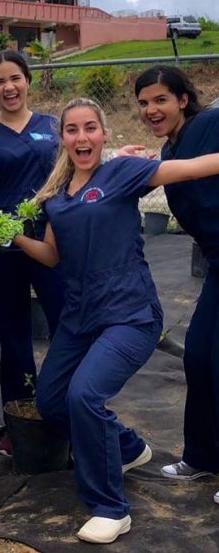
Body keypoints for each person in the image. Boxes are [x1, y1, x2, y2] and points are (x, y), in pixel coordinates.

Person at [13, 96, 219, 544]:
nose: (81, 137)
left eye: (90, 128)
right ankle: (126, 447)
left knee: (84, 396)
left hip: (129, 314)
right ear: (62, 139)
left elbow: (195, 167)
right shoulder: (55, 197)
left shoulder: (121, 174)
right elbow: (51, 255)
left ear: (104, 134)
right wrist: (8, 233)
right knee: (51, 403)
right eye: (72, 130)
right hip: (80, 316)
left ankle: (110, 506)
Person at [0, 50, 64, 457]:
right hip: (1, 244)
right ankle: (18, 420)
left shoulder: (51, 128)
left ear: (28, 80)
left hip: (52, 239)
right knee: (14, 334)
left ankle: (61, 410)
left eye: (15, 78)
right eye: (0, 81)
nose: (9, 87)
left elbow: (68, 177)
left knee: (64, 324)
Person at [134, 66, 219, 501]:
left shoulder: (209, 124)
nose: (152, 109)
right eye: (145, 102)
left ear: (183, 100)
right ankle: (204, 456)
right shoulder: (170, 152)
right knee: (199, 357)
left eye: (161, 99)